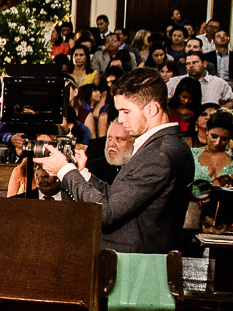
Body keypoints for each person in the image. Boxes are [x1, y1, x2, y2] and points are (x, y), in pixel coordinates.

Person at [37, 67, 194, 253]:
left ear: (152, 109)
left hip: (135, 265)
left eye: (126, 111)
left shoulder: (159, 153)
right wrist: (82, 174)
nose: (121, 119)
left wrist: (65, 171)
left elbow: (107, 213)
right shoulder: (165, 145)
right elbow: (118, 199)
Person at [166, 51, 233, 108]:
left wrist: (228, 105)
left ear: (204, 64)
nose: (191, 66)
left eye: (195, 62)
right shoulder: (175, 81)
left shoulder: (218, 82)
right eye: (188, 64)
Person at [191, 110, 233, 187]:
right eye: (214, 136)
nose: (217, 143)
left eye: (224, 139)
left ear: (230, 138)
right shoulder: (192, 154)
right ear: (207, 131)